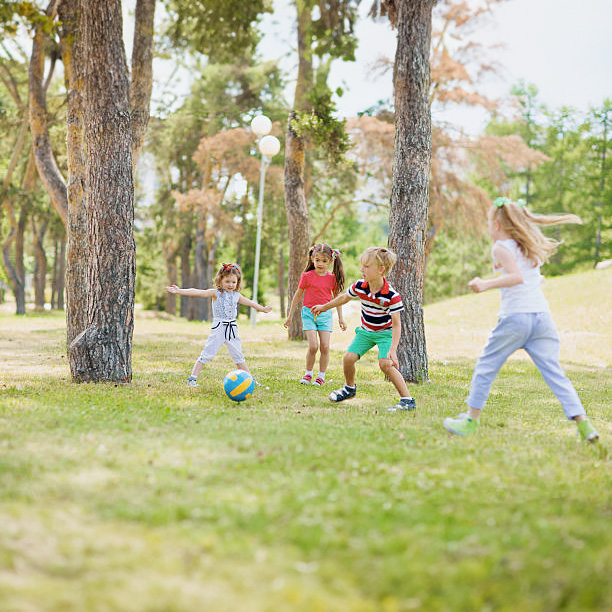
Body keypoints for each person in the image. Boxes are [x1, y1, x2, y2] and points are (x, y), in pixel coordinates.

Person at [443, 197, 599, 442]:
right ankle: (585, 425)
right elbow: (531, 278)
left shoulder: (501, 247)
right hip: (542, 318)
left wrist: (485, 284)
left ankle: (470, 421)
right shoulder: (525, 247)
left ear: (496, 225)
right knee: (555, 373)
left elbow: (516, 277)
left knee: (485, 366)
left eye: (488, 224)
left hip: (516, 318)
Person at [311, 246, 416, 412]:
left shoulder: (391, 296)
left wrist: (393, 349)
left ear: (381, 270)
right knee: (348, 358)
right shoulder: (360, 286)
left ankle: (407, 400)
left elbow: (397, 325)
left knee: (386, 364)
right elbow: (344, 297)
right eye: (362, 265)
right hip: (366, 332)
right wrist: (324, 307)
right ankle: (349, 388)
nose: (362, 269)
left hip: (384, 334)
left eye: (366, 266)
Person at [166, 263, 272, 387]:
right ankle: (192, 378)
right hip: (219, 328)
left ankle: (250, 380)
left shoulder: (237, 296)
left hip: (232, 329)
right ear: (220, 280)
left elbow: (251, 304)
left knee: (238, 356)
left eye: (234, 282)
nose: (231, 285)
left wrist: (263, 309)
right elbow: (198, 292)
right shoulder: (216, 293)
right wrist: (179, 291)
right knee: (208, 353)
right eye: (227, 281)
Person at [284, 243, 347, 386]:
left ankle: (321, 376)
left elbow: (337, 299)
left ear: (330, 262)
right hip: (308, 314)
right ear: (312, 258)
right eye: (317, 260)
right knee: (313, 346)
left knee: (325, 347)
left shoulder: (332, 278)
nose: (320, 263)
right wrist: (289, 315)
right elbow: (298, 295)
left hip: (325, 315)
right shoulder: (307, 276)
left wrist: (341, 319)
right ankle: (308, 374)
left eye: (324, 261)